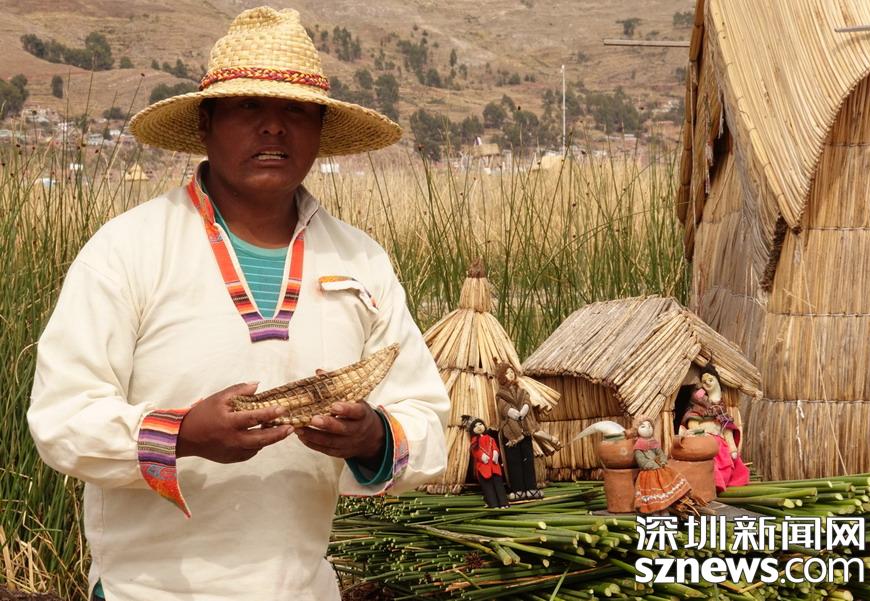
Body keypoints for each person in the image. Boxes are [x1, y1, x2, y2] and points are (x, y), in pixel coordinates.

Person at [27, 7, 449, 601]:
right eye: (250, 106)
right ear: (207, 123)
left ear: (320, 130)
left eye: (296, 111)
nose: (274, 127)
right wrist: (184, 435)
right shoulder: (129, 248)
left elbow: (427, 421)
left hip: (303, 589)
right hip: (146, 591)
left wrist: (373, 436)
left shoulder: (361, 261)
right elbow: (62, 419)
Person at [679, 365, 749, 492]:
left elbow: (727, 426)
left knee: (724, 455)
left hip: (718, 437)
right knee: (710, 457)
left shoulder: (721, 406)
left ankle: (723, 480)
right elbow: (694, 407)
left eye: (710, 380)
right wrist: (700, 391)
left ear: (717, 380)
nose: (707, 383)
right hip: (704, 436)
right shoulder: (700, 401)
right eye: (704, 382)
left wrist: (732, 447)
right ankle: (715, 482)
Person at [494, 362, 543, 501]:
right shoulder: (501, 394)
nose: (511, 374)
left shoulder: (522, 391)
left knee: (528, 459)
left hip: (525, 430)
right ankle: (518, 490)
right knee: (514, 461)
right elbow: (503, 407)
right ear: (502, 376)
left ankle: (531, 488)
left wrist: (524, 410)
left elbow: (527, 401)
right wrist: (513, 413)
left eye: (512, 372)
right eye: (507, 372)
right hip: (511, 433)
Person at [632, 416, 692, 514]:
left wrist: (663, 461)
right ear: (637, 430)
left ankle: (664, 509)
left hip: (660, 469)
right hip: (648, 473)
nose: (647, 429)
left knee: (664, 489)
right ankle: (655, 511)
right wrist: (650, 464)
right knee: (653, 491)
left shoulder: (653, 442)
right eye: (643, 427)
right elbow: (641, 460)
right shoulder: (638, 446)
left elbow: (660, 453)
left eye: (649, 426)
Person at [467, 417, 509, 508]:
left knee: (499, 485)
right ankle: (493, 504)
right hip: (483, 467)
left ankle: (503, 503)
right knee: (488, 487)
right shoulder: (474, 441)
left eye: (480, 424)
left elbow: (495, 447)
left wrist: (495, 453)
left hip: (494, 466)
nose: (479, 427)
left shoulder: (490, 439)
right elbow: (475, 450)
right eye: (475, 426)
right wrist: (481, 456)